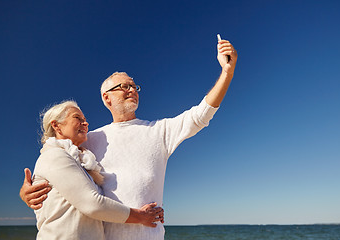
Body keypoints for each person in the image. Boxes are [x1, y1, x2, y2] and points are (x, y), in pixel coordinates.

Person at [20, 38, 238, 240]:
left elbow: (201, 114)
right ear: (106, 98)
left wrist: (227, 72)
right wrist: (27, 193)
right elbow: (55, 166)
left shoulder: (159, 131)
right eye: (123, 86)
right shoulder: (88, 140)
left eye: (134, 86)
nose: (131, 89)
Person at [30, 100, 164, 239]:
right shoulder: (54, 155)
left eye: (85, 120)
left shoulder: (81, 161)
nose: (86, 123)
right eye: (78, 118)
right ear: (56, 126)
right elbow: (92, 204)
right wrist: (141, 217)